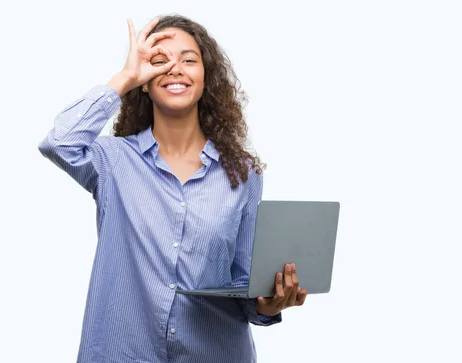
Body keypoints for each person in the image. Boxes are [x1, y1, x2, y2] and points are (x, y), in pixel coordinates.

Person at [38, 14, 307, 363]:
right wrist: (125, 77)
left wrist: (269, 304)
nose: (175, 69)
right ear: (145, 83)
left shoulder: (243, 173)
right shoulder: (114, 161)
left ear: (205, 78)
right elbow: (59, 143)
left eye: (189, 60)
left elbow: (244, 282)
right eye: (160, 61)